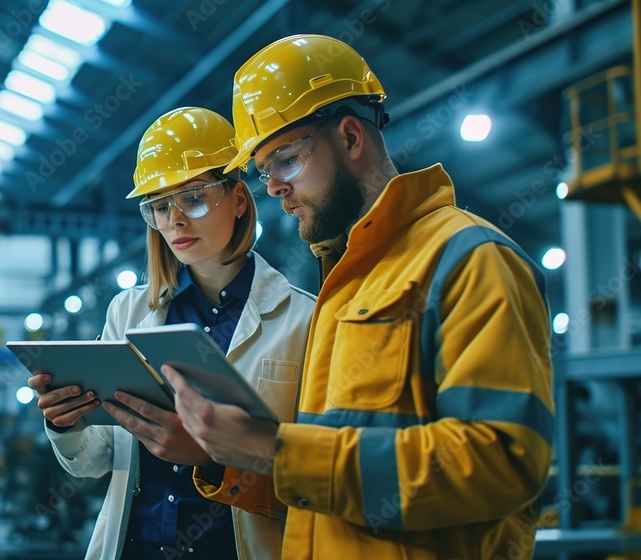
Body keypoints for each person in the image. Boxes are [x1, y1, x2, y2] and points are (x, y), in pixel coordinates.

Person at [164, 35, 554, 559]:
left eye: (285, 160)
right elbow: (328, 491)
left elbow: (501, 464)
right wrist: (226, 459)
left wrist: (272, 448)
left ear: (350, 137)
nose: (274, 188)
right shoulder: (344, 289)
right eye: (264, 172)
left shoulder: (471, 258)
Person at [28, 107, 316, 560]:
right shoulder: (128, 312)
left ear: (239, 199)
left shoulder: (304, 319)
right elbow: (93, 460)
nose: (175, 220)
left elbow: (319, 479)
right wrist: (64, 421)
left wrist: (213, 454)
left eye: (195, 197)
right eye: (160, 207)